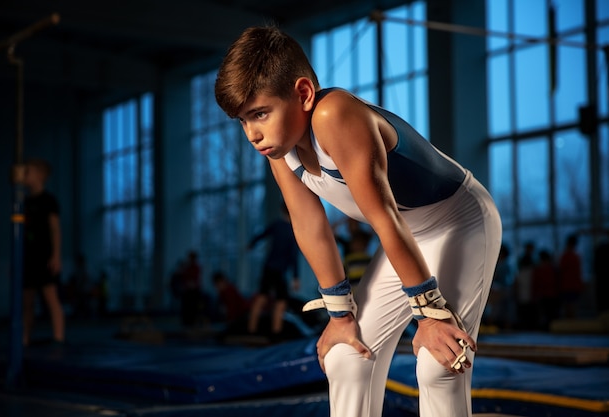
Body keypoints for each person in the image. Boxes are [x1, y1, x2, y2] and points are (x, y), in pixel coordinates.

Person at [214, 26, 502, 417]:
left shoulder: (335, 114)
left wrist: (429, 314)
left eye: (260, 114)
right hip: (405, 233)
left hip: (460, 219)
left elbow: (382, 217)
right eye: (243, 121)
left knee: (439, 362)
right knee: (345, 356)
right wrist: (340, 316)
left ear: (303, 94)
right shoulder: (278, 151)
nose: (252, 133)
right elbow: (310, 226)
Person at [22, 158, 65, 346]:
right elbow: (21, 234)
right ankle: (24, 338)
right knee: (26, 301)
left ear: (40, 175)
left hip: (44, 256)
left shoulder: (49, 200)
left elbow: (55, 229)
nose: (24, 176)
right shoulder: (23, 202)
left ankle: (58, 337)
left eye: (28, 172)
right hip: (28, 257)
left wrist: (56, 255)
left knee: (50, 298)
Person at [246, 201, 300, 337]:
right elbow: (293, 256)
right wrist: (295, 277)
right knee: (281, 301)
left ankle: (251, 330)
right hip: (279, 271)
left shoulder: (277, 225)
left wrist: (251, 243)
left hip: (268, 268)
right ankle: (276, 332)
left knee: (262, 297)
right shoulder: (293, 230)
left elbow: (262, 235)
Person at [532, 249, 559, 330]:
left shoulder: (539, 269)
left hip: (544, 294)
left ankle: (547, 327)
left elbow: (536, 283)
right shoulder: (552, 269)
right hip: (551, 294)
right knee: (551, 313)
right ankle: (552, 327)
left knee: (545, 313)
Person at [558, 234, 584, 319]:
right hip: (571, 285)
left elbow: (561, 271)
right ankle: (571, 322)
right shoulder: (574, 257)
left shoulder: (567, 256)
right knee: (571, 305)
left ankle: (571, 322)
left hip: (567, 285)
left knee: (569, 305)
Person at [514, 241, 536, 330]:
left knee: (525, 310)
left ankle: (525, 325)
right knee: (528, 310)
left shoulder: (522, 272)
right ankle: (528, 326)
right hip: (528, 293)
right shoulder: (531, 270)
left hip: (525, 293)